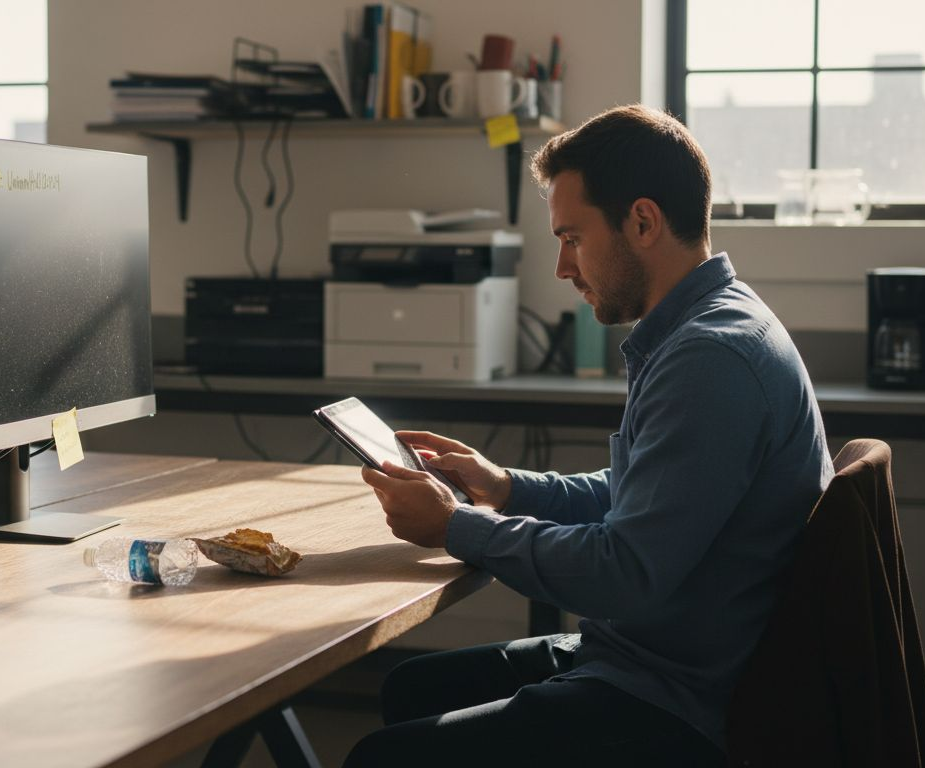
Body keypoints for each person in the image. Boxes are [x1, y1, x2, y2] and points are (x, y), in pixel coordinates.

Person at [344, 105, 834, 767]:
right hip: (650, 659)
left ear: (641, 222)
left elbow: (625, 572)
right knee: (413, 686)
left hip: (676, 702)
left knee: (385, 757)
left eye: (572, 237)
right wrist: (507, 486)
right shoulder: (707, 328)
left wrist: (456, 526)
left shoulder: (711, 359)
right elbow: (642, 495)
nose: (561, 267)